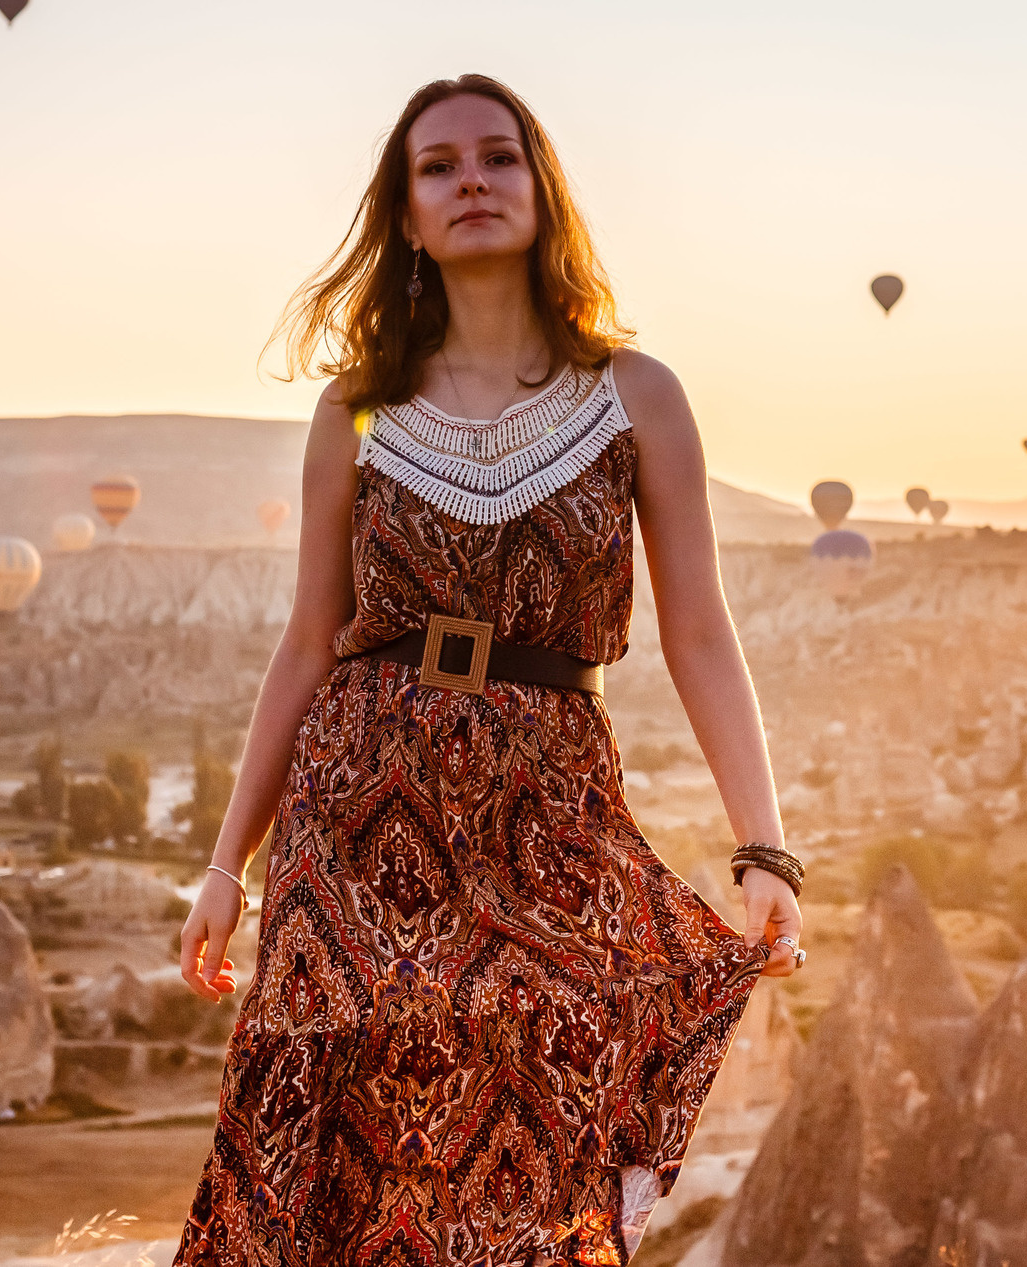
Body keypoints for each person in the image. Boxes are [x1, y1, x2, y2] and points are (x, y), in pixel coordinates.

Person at [175, 75, 805, 1266]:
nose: (471, 179)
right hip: (356, 820)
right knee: (332, 1149)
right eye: (438, 166)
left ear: (541, 190)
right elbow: (309, 641)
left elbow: (702, 637)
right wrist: (226, 865)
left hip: (547, 812)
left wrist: (762, 848)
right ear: (406, 217)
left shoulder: (637, 397)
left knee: (537, 1133)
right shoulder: (355, 412)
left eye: (499, 157)